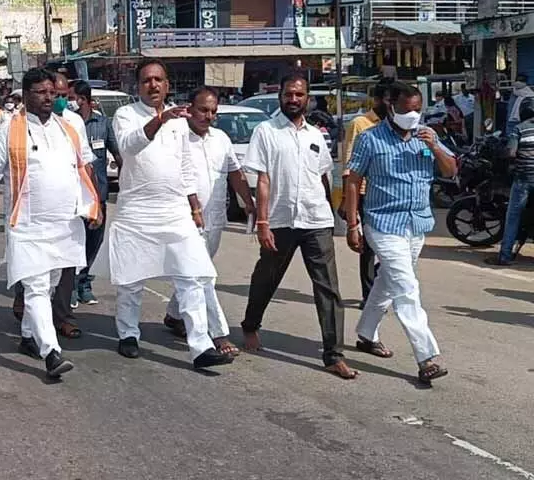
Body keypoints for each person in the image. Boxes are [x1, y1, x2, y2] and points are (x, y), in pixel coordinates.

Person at [0, 68, 101, 379]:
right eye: (41, 93)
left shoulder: (67, 128)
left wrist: (94, 206)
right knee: (37, 287)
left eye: (52, 93)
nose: (48, 98)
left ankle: (29, 335)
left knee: (52, 283)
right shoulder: (10, 129)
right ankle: (51, 352)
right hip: (27, 225)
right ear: (26, 96)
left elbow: (84, 169)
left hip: (66, 224)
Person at [109, 60, 233, 370]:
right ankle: (128, 334)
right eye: (146, 80)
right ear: (137, 86)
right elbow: (129, 147)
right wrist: (161, 119)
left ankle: (201, 346)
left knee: (192, 275)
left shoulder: (180, 121)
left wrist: (194, 206)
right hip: (136, 210)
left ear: (167, 84)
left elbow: (186, 167)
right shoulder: (126, 115)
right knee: (131, 280)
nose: (153, 85)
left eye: (158, 80)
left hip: (175, 210)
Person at [240, 75, 356, 379]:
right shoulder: (266, 132)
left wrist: (332, 213)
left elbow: (322, 177)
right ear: (280, 95)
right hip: (279, 220)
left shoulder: (315, 135)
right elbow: (262, 180)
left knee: (328, 287)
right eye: (288, 93)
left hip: (316, 219)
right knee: (267, 277)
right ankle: (251, 325)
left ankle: (334, 354)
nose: (293, 99)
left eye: (299, 94)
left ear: (307, 99)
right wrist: (263, 223)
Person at [344, 82, 456, 384]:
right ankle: (427, 357)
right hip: (383, 223)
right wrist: (352, 224)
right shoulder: (370, 139)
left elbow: (450, 170)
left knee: (387, 282)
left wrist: (434, 145)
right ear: (390, 105)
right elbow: (353, 180)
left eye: (417, 109)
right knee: (407, 288)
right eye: (406, 110)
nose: (412, 115)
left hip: (417, 223)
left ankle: (366, 334)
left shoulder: (428, 136)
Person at [163, 87, 255, 357]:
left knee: (195, 274)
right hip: (184, 218)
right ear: (189, 108)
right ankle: (217, 333)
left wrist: (248, 202)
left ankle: (173, 315)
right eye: (203, 109)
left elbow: (235, 173)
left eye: (213, 111)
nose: (209, 116)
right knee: (204, 276)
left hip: (215, 219)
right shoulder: (176, 137)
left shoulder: (221, 139)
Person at [68, 80, 120, 306]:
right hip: (71, 197)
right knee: (71, 243)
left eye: (72, 98)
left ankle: (84, 283)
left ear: (85, 100)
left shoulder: (103, 124)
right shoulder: (63, 124)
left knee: (93, 242)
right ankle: (67, 287)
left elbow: (117, 155)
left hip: (97, 195)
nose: (69, 102)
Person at [340, 82, 390, 309]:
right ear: (378, 100)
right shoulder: (360, 124)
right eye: (388, 101)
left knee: (391, 247)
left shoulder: (395, 126)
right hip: (364, 193)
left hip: (389, 195)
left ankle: (383, 284)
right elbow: (349, 163)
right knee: (368, 249)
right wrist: (346, 200)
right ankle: (368, 295)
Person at [487, 96, 534, 266]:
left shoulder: (519, 129)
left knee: (513, 216)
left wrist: (506, 155)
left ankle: (504, 256)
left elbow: (511, 153)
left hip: (524, 179)